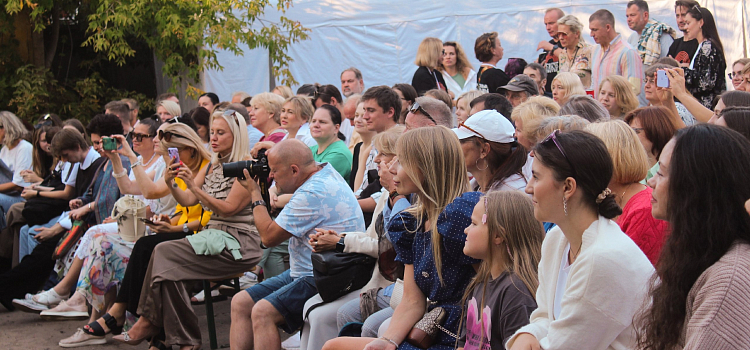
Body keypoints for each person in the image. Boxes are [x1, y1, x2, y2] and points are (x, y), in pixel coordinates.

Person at [55, 123, 212, 349]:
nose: (159, 143)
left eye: (168, 146)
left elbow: (188, 203)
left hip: (193, 235)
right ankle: (120, 317)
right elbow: (135, 188)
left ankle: (123, 316)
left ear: (189, 147)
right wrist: (119, 158)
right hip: (178, 229)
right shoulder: (175, 165)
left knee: (139, 247)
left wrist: (131, 156)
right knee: (112, 242)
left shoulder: (195, 167)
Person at [322, 126, 481, 350]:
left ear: (427, 167)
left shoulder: (459, 216)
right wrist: (388, 341)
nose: (391, 169)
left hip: (461, 337)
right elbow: (412, 300)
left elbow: (489, 285)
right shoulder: (412, 222)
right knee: (334, 345)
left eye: (401, 161)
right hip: (431, 329)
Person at [114, 110, 262, 349]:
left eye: (221, 132)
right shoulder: (214, 164)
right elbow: (187, 201)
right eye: (212, 132)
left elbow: (227, 209)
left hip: (238, 243)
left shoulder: (246, 167)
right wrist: (172, 182)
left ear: (236, 135)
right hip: (214, 237)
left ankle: (150, 322)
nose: (213, 137)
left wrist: (194, 185)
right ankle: (183, 340)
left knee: (161, 253)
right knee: (170, 275)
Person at [507, 130, 654, 350]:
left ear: (568, 187)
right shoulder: (557, 239)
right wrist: (527, 334)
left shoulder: (602, 258)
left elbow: (565, 345)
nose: (528, 187)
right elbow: (546, 317)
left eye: (536, 177)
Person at [230, 139, 365, 350]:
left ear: (294, 170)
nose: (271, 176)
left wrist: (255, 193)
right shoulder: (323, 171)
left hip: (327, 275)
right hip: (310, 269)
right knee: (241, 302)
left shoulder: (312, 192)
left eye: (274, 170)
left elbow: (268, 237)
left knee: (262, 312)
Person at [637, 124, 750, 349]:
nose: (651, 182)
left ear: (694, 187)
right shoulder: (702, 250)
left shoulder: (728, 281)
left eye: (660, 172)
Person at [457, 191, 543, 349]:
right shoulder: (480, 282)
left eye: (474, 224)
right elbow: (464, 344)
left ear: (498, 235)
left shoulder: (516, 292)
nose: (466, 230)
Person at [586, 120, 668, 265]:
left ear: (610, 159)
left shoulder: (644, 210)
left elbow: (635, 278)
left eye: (586, 156)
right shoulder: (611, 196)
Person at [453, 110, 528, 193]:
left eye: (460, 141)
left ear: (484, 150)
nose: (455, 147)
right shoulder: (473, 187)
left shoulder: (513, 194)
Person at [589, 9, 643, 97]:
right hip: (598, 109)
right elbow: (594, 83)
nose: (591, 34)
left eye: (595, 30)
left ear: (608, 27)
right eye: (591, 30)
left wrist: (612, 101)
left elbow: (633, 89)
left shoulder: (627, 52)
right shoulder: (595, 50)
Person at [681, 5, 727, 109]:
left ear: (701, 23)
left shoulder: (708, 46)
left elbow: (705, 82)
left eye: (688, 23)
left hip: (708, 108)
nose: (685, 27)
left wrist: (682, 70)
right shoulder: (702, 46)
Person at [623, 106, 678, 183]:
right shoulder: (627, 171)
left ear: (656, 131)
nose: (629, 136)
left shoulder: (674, 173)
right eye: (628, 131)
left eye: (635, 131)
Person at [0, 111, 33, 229]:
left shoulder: (24, 148)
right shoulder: (4, 150)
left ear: (7, 128)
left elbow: (18, 184)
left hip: (21, 197)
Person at [626, 0, 676, 66]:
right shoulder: (631, 38)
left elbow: (670, 64)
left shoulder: (659, 34)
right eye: (627, 16)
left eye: (632, 15)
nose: (629, 19)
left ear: (645, 15)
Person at [310, 104, 352, 179]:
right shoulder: (310, 150)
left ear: (336, 128)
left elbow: (314, 182)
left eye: (322, 122)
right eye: (313, 121)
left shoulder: (339, 154)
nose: (316, 125)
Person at [556, 15, 593, 89]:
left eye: (564, 34)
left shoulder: (590, 51)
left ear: (577, 33)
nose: (560, 38)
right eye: (559, 34)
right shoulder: (562, 54)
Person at [350, 101, 378, 191]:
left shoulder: (378, 149)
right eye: (356, 115)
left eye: (363, 116)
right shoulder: (358, 147)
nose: (358, 120)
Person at [536, 8, 565, 94]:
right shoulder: (549, 45)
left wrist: (552, 48)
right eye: (546, 24)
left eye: (551, 23)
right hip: (549, 93)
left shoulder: (567, 43)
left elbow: (568, 58)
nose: (548, 28)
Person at [666, 0, 700, 66]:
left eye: (683, 15)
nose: (680, 20)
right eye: (677, 16)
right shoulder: (676, 44)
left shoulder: (700, 44)